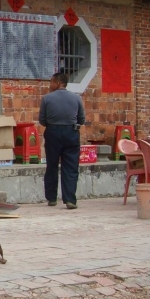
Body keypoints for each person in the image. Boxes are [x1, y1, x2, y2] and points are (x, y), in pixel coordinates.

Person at [38, 71, 86, 210]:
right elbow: (81, 119)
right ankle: (70, 199)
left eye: (51, 82)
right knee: (70, 167)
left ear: (58, 83)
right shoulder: (76, 98)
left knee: (52, 165)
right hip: (72, 133)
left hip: (53, 132)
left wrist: (53, 124)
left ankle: (52, 198)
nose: (50, 85)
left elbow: (42, 119)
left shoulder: (47, 99)